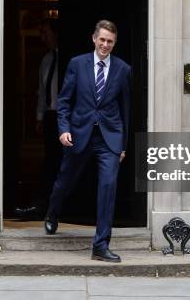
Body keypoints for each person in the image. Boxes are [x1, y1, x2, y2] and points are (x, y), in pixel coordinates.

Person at [44, 19, 131, 263]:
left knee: (107, 188)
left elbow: (125, 110)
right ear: (94, 38)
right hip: (79, 135)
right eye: (102, 39)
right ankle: (52, 212)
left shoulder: (123, 69)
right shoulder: (77, 64)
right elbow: (63, 101)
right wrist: (63, 129)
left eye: (110, 41)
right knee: (65, 182)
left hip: (109, 139)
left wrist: (122, 145)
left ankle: (101, 245)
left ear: (115, 43)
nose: (105, 45)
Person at [14, 20, 61, 219]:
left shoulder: (71, 61)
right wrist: (40, 117)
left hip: (67, 117)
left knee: (59, 163)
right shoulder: (47, 60)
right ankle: (42, 206)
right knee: (50, 161)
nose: (42, 38)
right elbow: (42, 91)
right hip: (51, 116)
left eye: (45, 32)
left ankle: (51, 206)